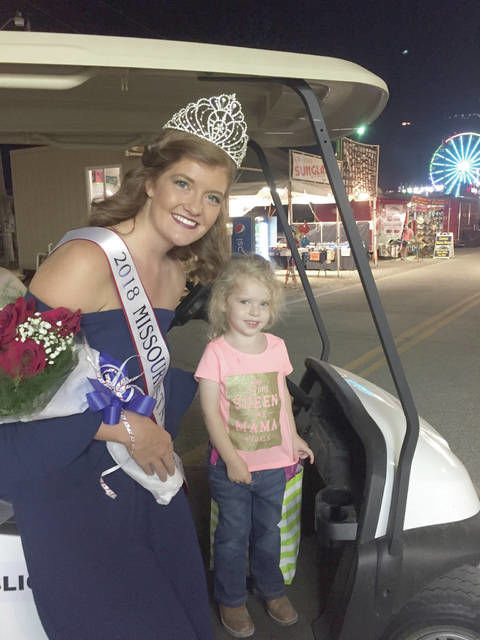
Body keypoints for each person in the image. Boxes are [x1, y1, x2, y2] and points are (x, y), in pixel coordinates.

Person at [0, 93, 248, 639]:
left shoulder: (176, 267)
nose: (195, 207)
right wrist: (127, 427)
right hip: (71, 482)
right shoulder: (87, 261)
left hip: (139, 469)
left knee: (182, 615)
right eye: (183, 183)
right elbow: (10, 395)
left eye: (213, 196)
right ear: (151, 181)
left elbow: (134, 368)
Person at [195, 254, 314, 638]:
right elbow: (211, 413)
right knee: (231, 536)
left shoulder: (275, 347)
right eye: (244, 301)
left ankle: (271, 590)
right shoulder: (217, 353)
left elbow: (282, 400)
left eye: (263, 303)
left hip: (273, 466)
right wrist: (231, 459)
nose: (254, 311)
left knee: (268, 532)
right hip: (232, 468)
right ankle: (230, 599)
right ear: (223, 302)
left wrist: (293, 437)